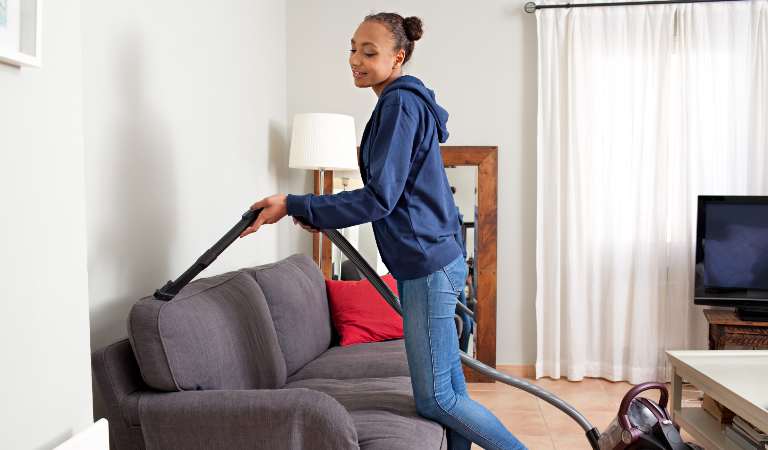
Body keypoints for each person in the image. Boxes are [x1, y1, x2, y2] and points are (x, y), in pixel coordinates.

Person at [239, 12, 526, 450]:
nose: (355, 59)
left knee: (438, 402)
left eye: (369, 52)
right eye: (353, 48)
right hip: (433, 260)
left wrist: (295, 203)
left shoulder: (399, 104)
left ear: (398, 56)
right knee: (452, 393)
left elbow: (379, 198)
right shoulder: (400, 102)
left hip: (427, 266)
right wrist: (312, 210)